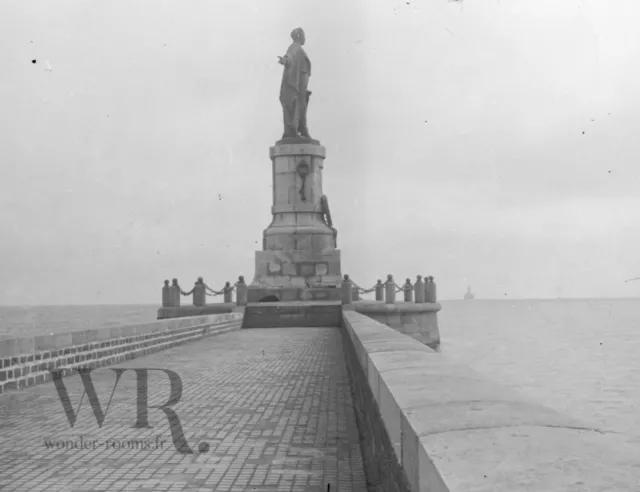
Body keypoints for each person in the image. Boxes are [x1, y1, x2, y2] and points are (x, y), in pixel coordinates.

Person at [278, 28, 312, 139]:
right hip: (297, 85)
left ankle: (301, 129)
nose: (305, 38)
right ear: (299, 36)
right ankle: (295, 129)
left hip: (301, 85)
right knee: (297, 105)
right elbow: (290, 56)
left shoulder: (299, 49)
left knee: (301, 106)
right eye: (303, 35)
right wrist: (285, 60)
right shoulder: (295, 47)